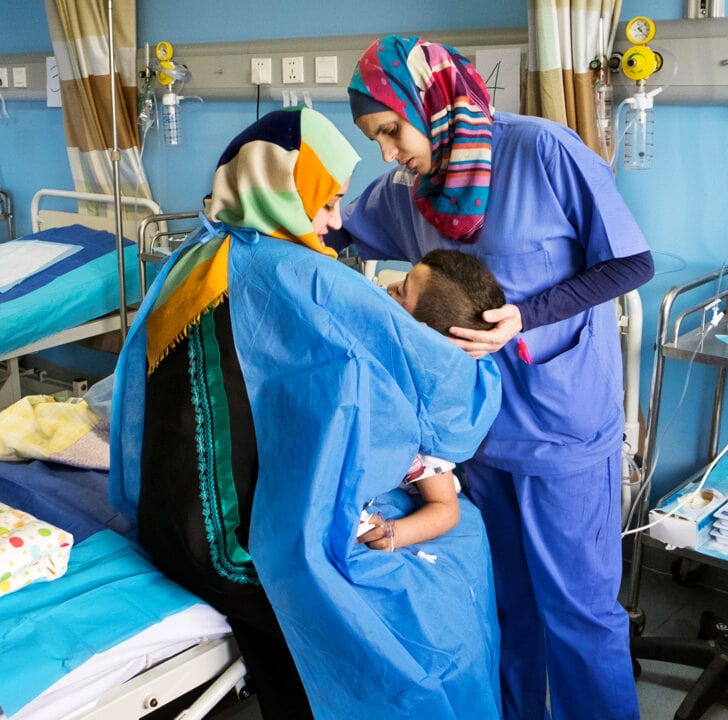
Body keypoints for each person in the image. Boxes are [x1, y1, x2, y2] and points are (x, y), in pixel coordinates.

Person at [110, 106, 503, 719]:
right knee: (410, 608)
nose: (335, 221)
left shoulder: (195, 253)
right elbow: (457, 413)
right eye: (325, 202)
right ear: (284, 189)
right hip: (231, 543)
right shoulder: (302, 275)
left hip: (165, 515)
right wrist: (486, 358)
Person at [332, 34, 655, 720]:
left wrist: (525, 316)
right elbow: (338, 233)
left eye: (391, 130)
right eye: (375, 140)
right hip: (474, 434)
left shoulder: (541, 150)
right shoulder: (408, 190)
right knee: (507, 605)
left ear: (429, 100)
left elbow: (629, 265)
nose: (387, 152)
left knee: (578, 613)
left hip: (561, 425)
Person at [359, 249, 506, 552]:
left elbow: (445, 509)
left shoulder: (425, 418)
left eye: (400, 290)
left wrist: (392, 533)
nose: (387, 288)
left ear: (418, 334)